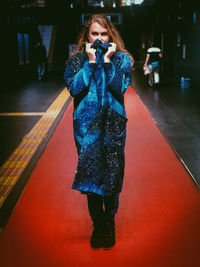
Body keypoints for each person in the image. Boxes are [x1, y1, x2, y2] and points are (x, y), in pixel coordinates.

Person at [64, 14, 134, 250]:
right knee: (91, 177)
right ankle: (98, 224)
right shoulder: (76, 61)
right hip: (86, 128)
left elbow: (120, 87)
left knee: (112, 176)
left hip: (113, 127)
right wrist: (91, 63)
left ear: (111, 35)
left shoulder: (121, 60)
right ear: (87, 35)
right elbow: (74, 89)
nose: (100, 39)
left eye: (104, 34)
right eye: (95, 34)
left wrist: (107, 62)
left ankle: (110, 223)